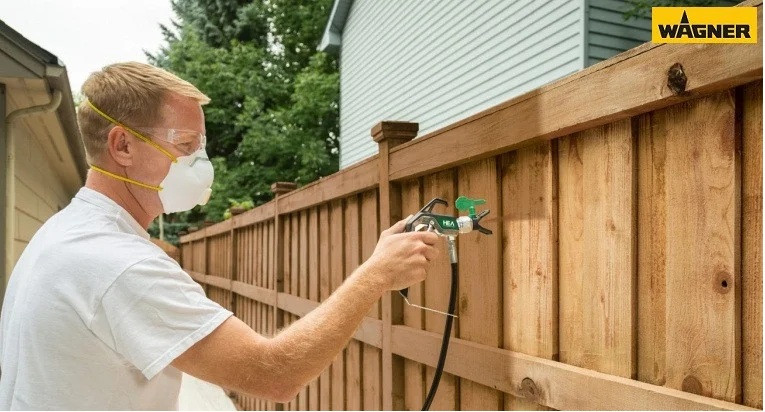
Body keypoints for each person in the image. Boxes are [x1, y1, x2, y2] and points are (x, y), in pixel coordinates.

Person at [0, 62, 439, 410]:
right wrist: (375, 275)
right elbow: (274, 374)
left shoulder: (65, 233)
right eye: (187, 144)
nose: (202, 162)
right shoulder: (119, 264)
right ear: (123, 146)